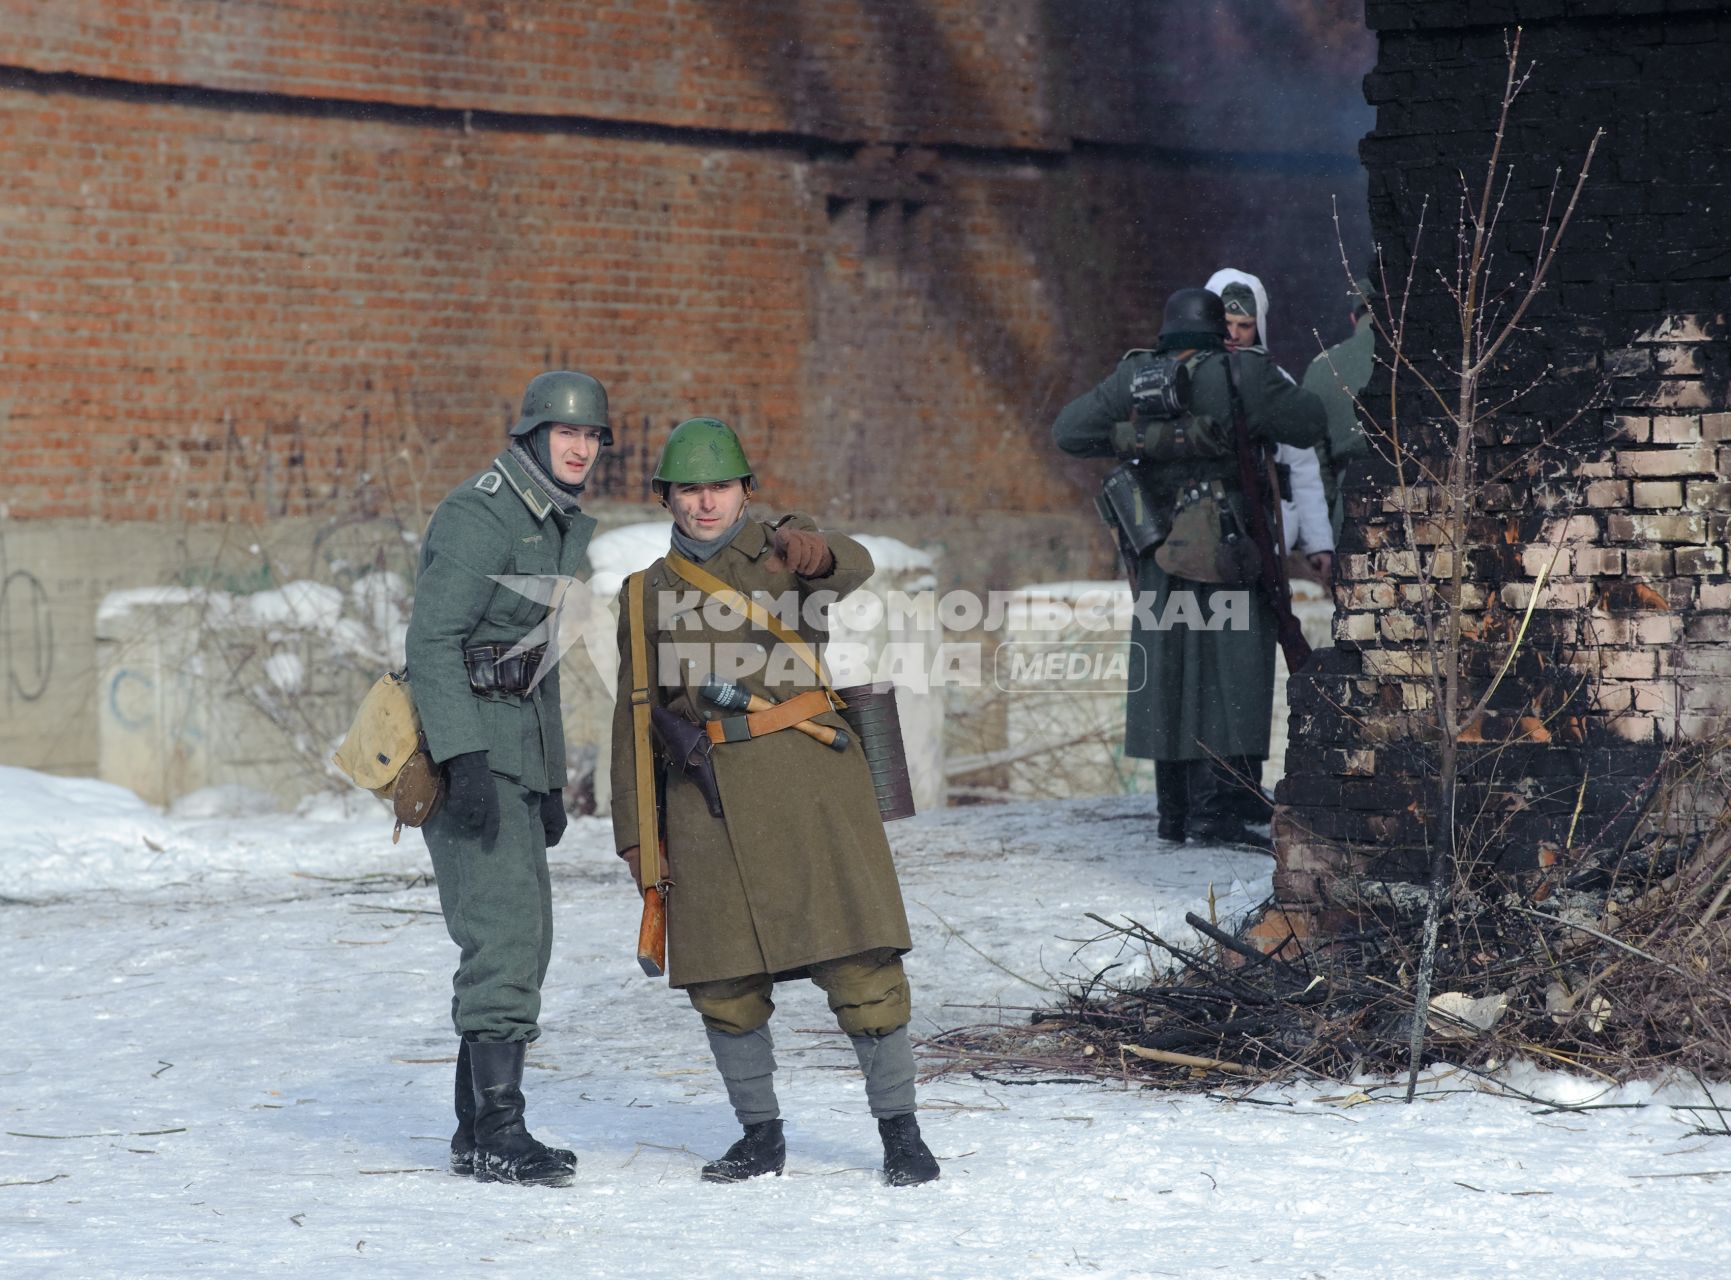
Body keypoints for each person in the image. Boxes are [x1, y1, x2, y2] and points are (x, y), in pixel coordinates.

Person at [609, 416, 939, 1187]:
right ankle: (760, 1136)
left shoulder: (785, 556)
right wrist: (636, 832)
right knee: (721, 981)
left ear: (743, 491)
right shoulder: (641, 595)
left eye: (718, 487)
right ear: (665, 499)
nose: (703, 504)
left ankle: (900, 1132)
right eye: (688, 490)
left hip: (809, 787)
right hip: (705, 799)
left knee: (863, 965)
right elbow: (628, 717)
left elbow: (852, 567)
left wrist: (819, 545)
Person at [404, 370, 608, 1187]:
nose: (579, 448)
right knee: (504, 940)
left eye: (591, 436)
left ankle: (474, 1133)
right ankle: (496, 1132)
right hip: (473, 753)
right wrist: (462, 760)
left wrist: (550, 778)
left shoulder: (551, 521)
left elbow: (540, 661)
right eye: (565, 434)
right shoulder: (481, 512)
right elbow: (432, 644)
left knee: (522, 938)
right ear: (530, 436)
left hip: (517, 751)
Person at [1053, 288, 1324, 847]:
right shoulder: (1239, 374)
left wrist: (1133, 436)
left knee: (1168, 676)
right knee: (1235, 673)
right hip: (1228, 550)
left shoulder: (1134, 377)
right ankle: (1227, 810)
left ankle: (1174, 813)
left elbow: (1071, 432)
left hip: (1157, 554)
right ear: (1219, 331)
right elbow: (1309, 422)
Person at [1204, 268, 1333, 821]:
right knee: (1211, 668)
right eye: (1226, 323)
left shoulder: (1270, 377)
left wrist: (1317, 542)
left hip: (1264, 541)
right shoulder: (1192, 375)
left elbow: (1301, 468)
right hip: (1207, 542)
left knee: (1252, 664)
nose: (1235, 335)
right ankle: (1210, 793)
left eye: (1244, 325)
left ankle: (1242, 786)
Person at [1301, 278, 1376, 545]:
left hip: (1351, 506)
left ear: (1353, 318)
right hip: (1427, 498)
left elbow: (1315, 468)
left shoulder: (1322, 367)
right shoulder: (1422, 358)